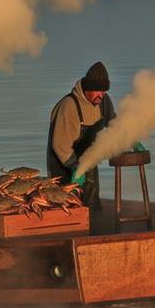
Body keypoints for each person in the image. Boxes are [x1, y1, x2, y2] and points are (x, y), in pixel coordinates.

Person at [47, 61, 117, 234]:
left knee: (92, 201)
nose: (101, 95)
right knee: (68, 206)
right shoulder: (69, 107)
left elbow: (114, 123)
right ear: (86, 89)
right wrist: (75, 168)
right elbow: (60, 145)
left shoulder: (104, 102)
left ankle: (96, 234)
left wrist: (129, 137)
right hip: (63, 164)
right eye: (97, 91)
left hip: (87, 161)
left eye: (104, 91)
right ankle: (70, 237)